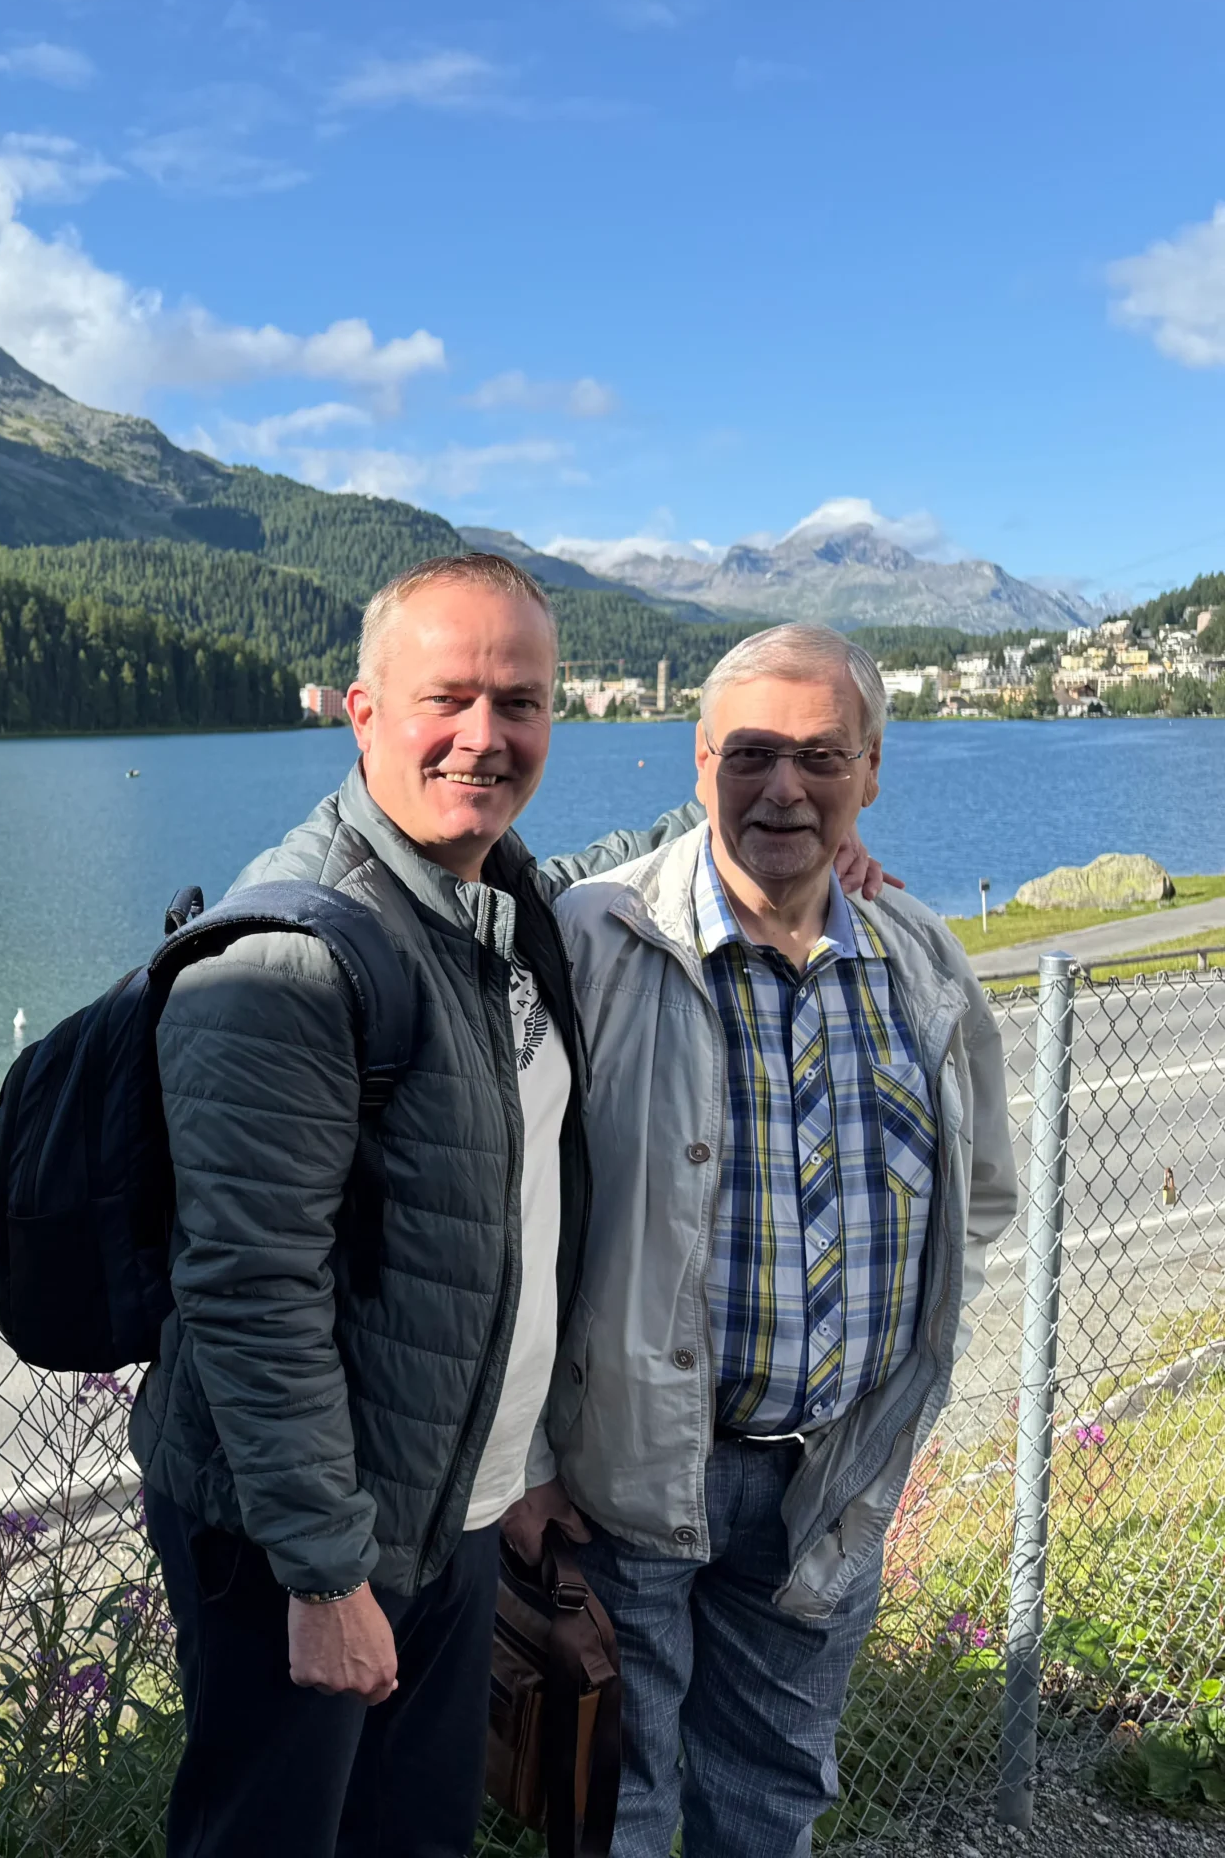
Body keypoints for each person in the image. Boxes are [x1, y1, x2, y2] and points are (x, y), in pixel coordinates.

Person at [128, 550, 725, 1858]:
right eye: (447, 698)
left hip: (452, 1506)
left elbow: (594, 873)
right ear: (363, 713)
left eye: (521, 702)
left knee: (415, 1839)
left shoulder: (489, 897)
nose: (485, 735)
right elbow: (248, 1290)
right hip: (299, 1535)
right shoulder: (291, 957)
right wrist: (323, 1575)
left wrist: (762, 821)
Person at [507, 622, 1016, 1857]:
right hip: (619, 1483)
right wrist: (521, 1465)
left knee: (774, 1798)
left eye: (820, 756)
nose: (782, 787)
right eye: (750, 754)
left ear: (871, 771)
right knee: (613, 1813)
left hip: (823, 1489)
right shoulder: (591, 943)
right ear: (699, 762)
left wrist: (883, 1405)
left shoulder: (920, 962)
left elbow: (978, 1200)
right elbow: (509, 1219)